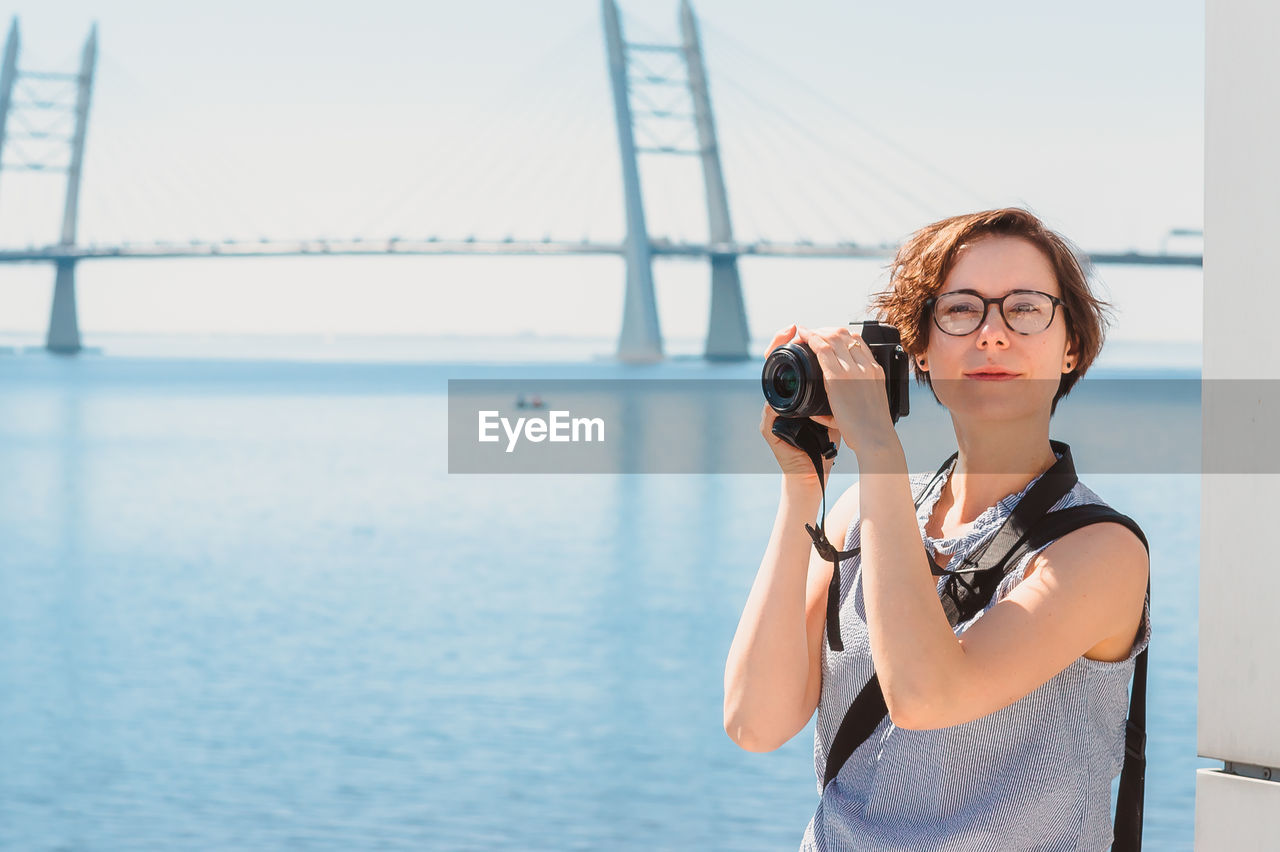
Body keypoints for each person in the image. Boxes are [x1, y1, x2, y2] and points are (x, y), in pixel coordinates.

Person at [722, 208, 1151, 851]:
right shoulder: (867, 515)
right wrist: (803, 491)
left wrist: (878, 450)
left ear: (1071, 345)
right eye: (961, 310)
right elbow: (755, 723)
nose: (993, 334)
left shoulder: (1100, 551)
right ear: (919, 347)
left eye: (1026, 308)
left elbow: (929, 694)